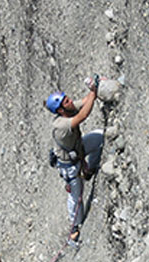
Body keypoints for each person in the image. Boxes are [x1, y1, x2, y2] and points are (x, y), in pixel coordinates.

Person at [46, 79, 104, 241]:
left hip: (78, 151)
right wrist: (93, 92)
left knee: (100, 136)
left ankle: (89, 169)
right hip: (69, 166)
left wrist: (96, 87)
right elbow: (83, 115)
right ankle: (74, 226)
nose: (70, 100)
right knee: (76, 197)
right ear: (60, 109)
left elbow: (85, 101)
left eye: (67, 98)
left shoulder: (68, 109)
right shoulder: (61, 126)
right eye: (66, 101)